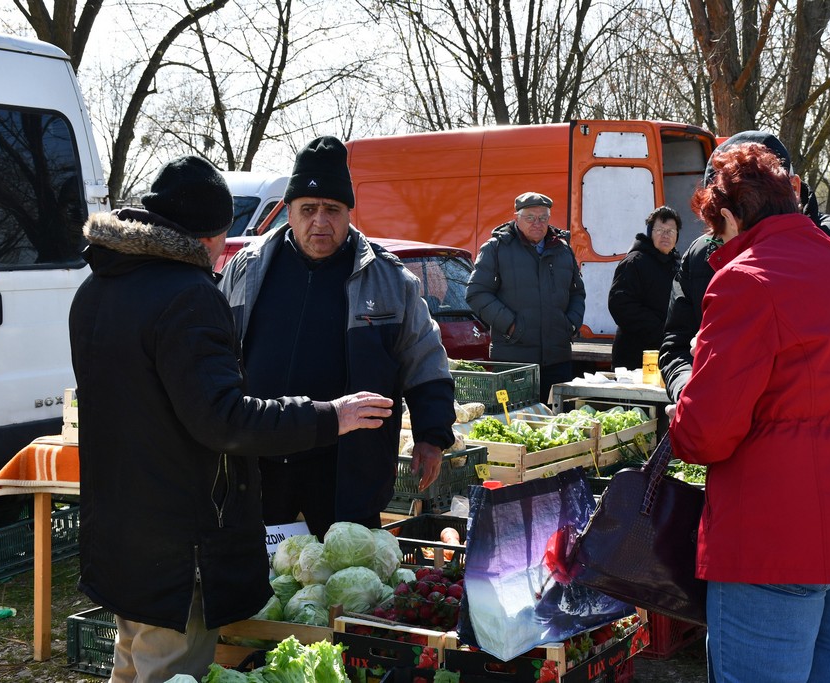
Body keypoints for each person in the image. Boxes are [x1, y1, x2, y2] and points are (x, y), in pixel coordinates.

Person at [68, 156, 394, 683]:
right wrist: (330, 416)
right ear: (212, 235)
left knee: (132, 663)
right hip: (178, 537)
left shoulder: (96, 289)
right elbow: (223, 420)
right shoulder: (187, 296)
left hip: (121, 526)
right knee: (170, 667)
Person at [668, 141, 830, 682]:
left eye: (716, 229)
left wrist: (685, 394)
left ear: (731, 216)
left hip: (776, 537)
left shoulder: (745, 279)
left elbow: (704, 435)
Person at [218, 136, 456, 539]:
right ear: (289, 213)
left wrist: (431, 436)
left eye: (332, 210)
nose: (320, 222)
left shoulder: (389, 277)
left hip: (349, 467)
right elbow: (217, 350)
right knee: (264, 583)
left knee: (345, 576)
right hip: (261, 459)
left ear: (349, 212)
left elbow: (424, 356)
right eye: (308, 210)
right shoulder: (248, 267)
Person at [659, 131, 830, 403]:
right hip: (740, 424)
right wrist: (688, 393)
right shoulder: (700, 255)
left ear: (793, 187)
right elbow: (676, 344)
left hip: (824, 422)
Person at [466, 192, 586, 401]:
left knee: (559, 424)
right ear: (516, 218)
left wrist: (571, 324)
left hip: (557, 359)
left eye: (543, 218)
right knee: (516, 424)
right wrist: (512, 326)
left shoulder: (562, 249)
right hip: (514, 361)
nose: (537, 223)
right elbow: (476, 293)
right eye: (530, 217)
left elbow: (577, 292)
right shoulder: (496, 248)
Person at [608, 205, 681, 370]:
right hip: (634, 358)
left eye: (671, 231)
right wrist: (660, 330)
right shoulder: (634, 262)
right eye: (660, 230)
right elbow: (621, 305)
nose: (665, 235)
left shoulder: (677, 264)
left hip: (666, 354)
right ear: (650, 232)